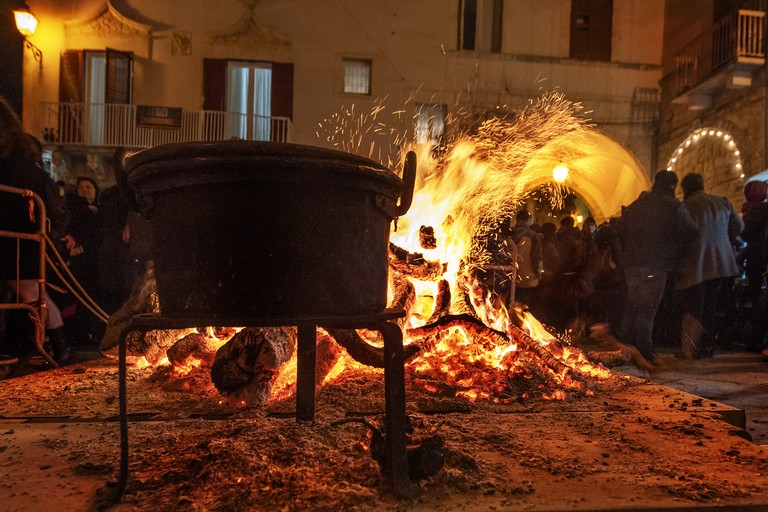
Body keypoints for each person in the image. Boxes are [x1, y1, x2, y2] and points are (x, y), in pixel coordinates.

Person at [0, 96, 73, 365]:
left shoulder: (13, 161)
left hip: (19, 242)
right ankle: (49, 344)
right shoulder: (22, 159)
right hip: (23, 241)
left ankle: (56, 345)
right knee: (32, 294)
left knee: (32, 293)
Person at [615, 170, 698, 364]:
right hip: (656, 263)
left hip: (632, 264)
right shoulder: (673, 206)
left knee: (633, 305)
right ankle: (644, 351)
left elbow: (619, 231)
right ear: (672, 186)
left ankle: (622, 349)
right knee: (647, 309)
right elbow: (692, 231)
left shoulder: (636, 206)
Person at [675, 172, 744, 358]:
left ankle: (692, 348)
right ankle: (707, 347)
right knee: (711, 306)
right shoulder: (722, 201)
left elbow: (681, 234)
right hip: (721, 262)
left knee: (695, 306)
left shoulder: (686, 206)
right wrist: (724, 241)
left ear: (685, 188)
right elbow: (739, 226)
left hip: (696, 263)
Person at [740, 180, 768, 350]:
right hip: (759, 260)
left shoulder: (757, 210)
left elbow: (742, 231)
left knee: (759, 299)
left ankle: (756, 340)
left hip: (758, 262)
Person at [510, 210, 543, 308]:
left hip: (509, 275)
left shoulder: (510, 233)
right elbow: (537, 256)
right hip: (528, 277)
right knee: (524, 306)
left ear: (518, 219)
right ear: (529, 220)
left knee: (510, 304)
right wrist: (539, 272)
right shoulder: (533, 235)